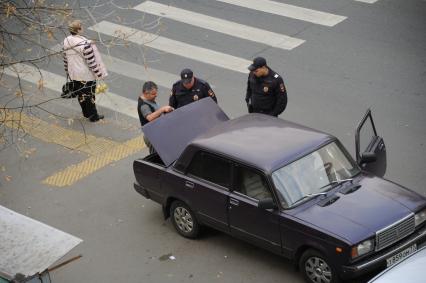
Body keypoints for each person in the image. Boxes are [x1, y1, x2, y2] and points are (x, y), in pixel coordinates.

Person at [63, 20, 107, 122]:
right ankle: (93, 116)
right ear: (78, 30)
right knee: (90, 95)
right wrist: (99, 74)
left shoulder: (66, 40)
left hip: (73, 73)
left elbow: (65, 57)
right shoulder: (85, 44)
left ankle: (86, 113)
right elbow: (91, 62)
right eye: (81, 26)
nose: (83, 28)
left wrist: (67, 71)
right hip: (86, 75)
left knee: (81, 94)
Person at [138, 81, 174, 154]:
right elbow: (150, 117)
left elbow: (156, 113)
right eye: (153, 94)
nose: (156, 95)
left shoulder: (149, 99)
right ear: (145, 93)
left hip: (158, 132)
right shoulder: (144, 105)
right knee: (156, 155)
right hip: (152, 136)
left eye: (156, 93)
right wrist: (162, 109)